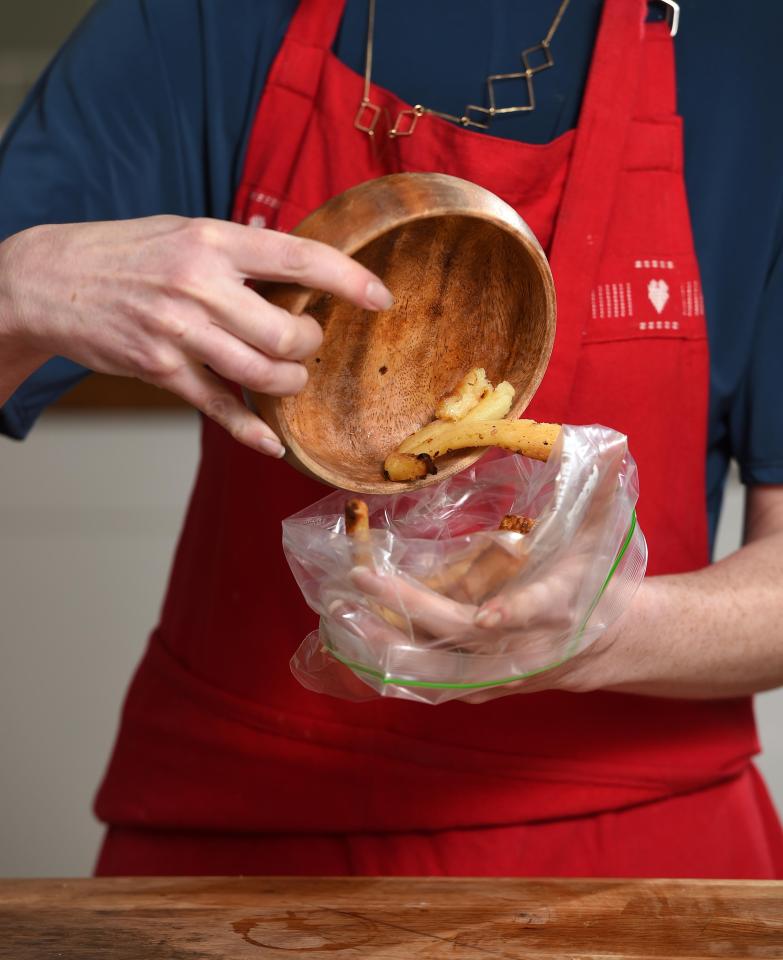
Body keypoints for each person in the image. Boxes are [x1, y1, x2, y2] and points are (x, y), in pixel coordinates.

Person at [2, 0, 783, 878]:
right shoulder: (202, 21)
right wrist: (16, 290)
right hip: (232, 838)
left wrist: (607, 629)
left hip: (638, 854)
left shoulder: (754, 47)